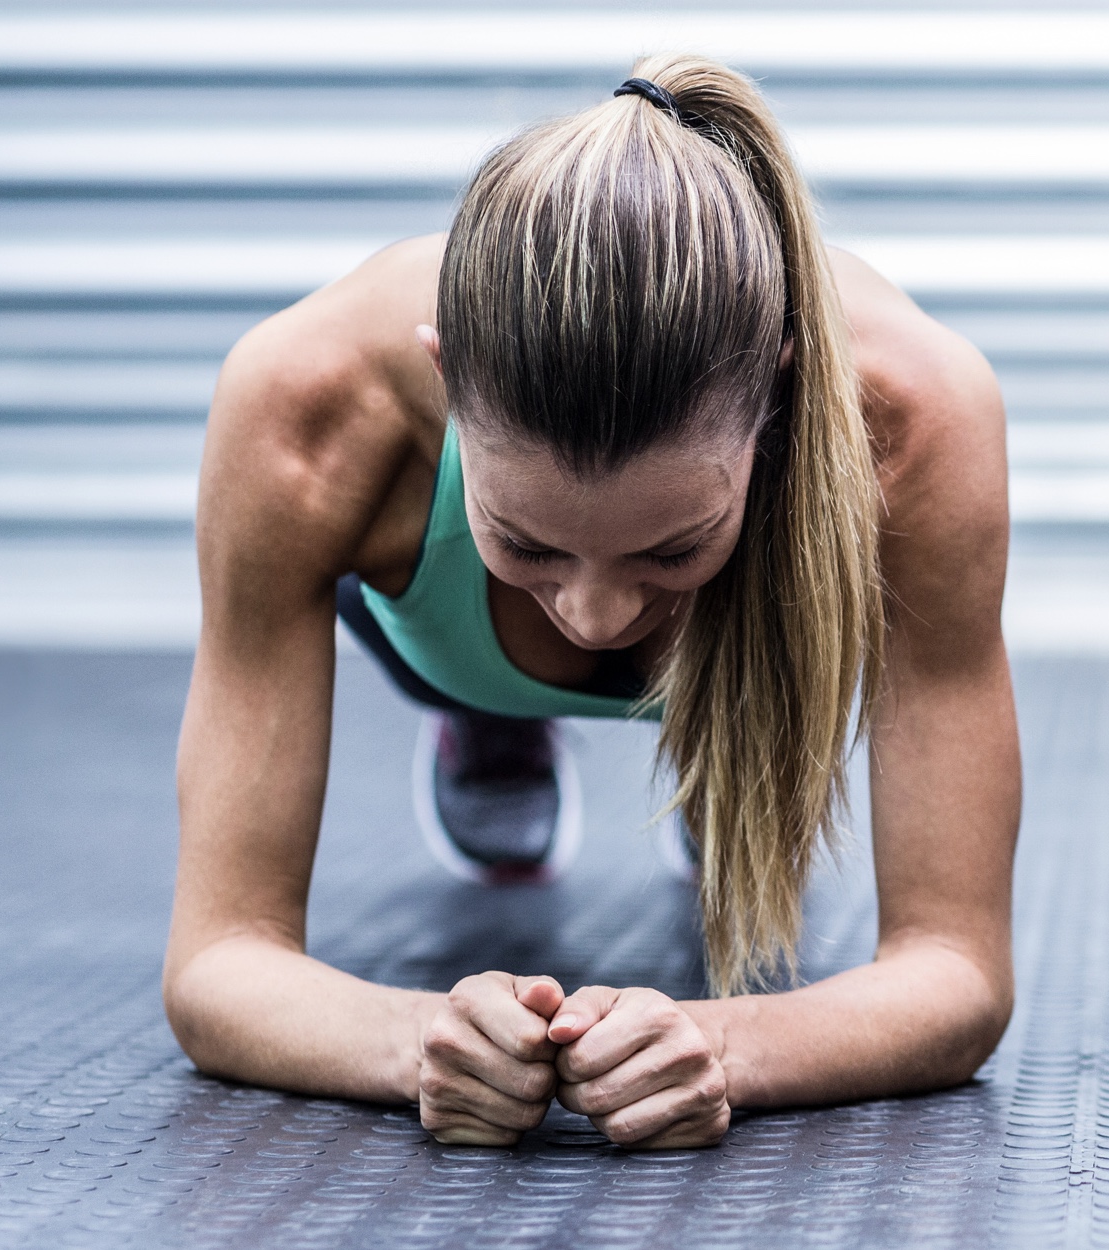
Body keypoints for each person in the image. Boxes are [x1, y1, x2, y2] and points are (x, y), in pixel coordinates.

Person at [169, 57, 1020, 1150]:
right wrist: (418, 1038)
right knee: (509, 614)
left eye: (671, 547)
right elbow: (214, 958)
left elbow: (956, 969)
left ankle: (720, 744)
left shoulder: (915, 414)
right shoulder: (305, 402)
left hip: (757, 634)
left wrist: (724, 1044)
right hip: (442, 638)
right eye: (526, 540)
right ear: (446, 377)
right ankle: (491, 706)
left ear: (780, 390)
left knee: (734, 791)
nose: (597, 613)